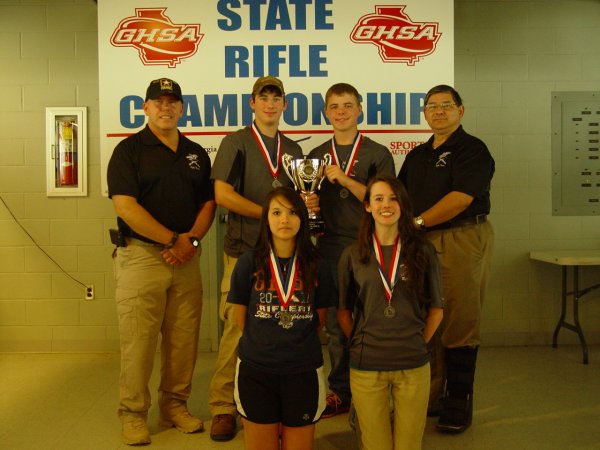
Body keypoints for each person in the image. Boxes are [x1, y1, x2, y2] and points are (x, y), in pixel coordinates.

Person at [107, 78, 216, 445]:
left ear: (182, 109)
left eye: (173, 102)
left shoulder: (196, 152)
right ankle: (134, 414)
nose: (166, 108)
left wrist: (192, 241)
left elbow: (208, 203)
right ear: (145, 108)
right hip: (141, 257)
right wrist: (172, 240)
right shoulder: (129, 150)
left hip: (186, 259)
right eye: (158, 102)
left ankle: (175, 406)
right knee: (139, 342)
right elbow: (125, 206)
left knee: (183, 341)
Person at [208, 76, 309, 441]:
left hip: (284, 256)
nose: (269, 103)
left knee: (282, 327)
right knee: (237, 329)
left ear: (285, 105)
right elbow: (222, 194)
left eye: (276, 97)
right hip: (244, 251)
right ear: (252, 104)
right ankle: (222, 407)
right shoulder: (236, 142)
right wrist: (265, 213)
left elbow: (297, 200)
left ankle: (275, 406)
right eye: (262, 97)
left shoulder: (294, 150)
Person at [398, 84, 495, 433]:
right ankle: (434, 394)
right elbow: (400, 197)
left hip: (461, 237)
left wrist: (417, 222)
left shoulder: (472, 150)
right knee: (429, 318)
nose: (439, 111)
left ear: (460, 111)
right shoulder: (417, 155)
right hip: (421, 243)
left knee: (460, 319)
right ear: (424, 113)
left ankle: (459, 400)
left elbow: (461, 199)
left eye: (446, 105)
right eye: (432, 106)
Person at [308, 82, 396, 418]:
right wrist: (310, 207)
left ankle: (372, 390)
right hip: (329, 247)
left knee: (370, 319)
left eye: (348, 105)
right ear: (326, 112)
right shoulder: (316, 155)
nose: (341, 112)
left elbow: (384, 202)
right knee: (333, 323)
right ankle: (340, 391)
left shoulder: (377, 153)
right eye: (334, 106)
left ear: (360, 109)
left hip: (367, 246)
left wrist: (344, 179)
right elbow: (311, 216)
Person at [337, 175, 443, 450]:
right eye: (379, 198)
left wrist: (418, 343)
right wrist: (361, 342)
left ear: (403, 205)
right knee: (375, 445)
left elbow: (436, 310)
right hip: (367, 366)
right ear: (368, 207)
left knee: (409, 444)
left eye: (393, 198)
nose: (386, 204)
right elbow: (343, 312)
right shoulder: (352, 254)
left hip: (413, 365)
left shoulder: (422, 250)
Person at [229, 187, 334, 450]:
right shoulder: (248, 263)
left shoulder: (318, 265)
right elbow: (241, 318)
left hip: (303, 370)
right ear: (266, 219)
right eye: (276, 212)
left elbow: (319, 319)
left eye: (292, 212)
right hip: (257, 370)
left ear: (302, 218)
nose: (284, 220)